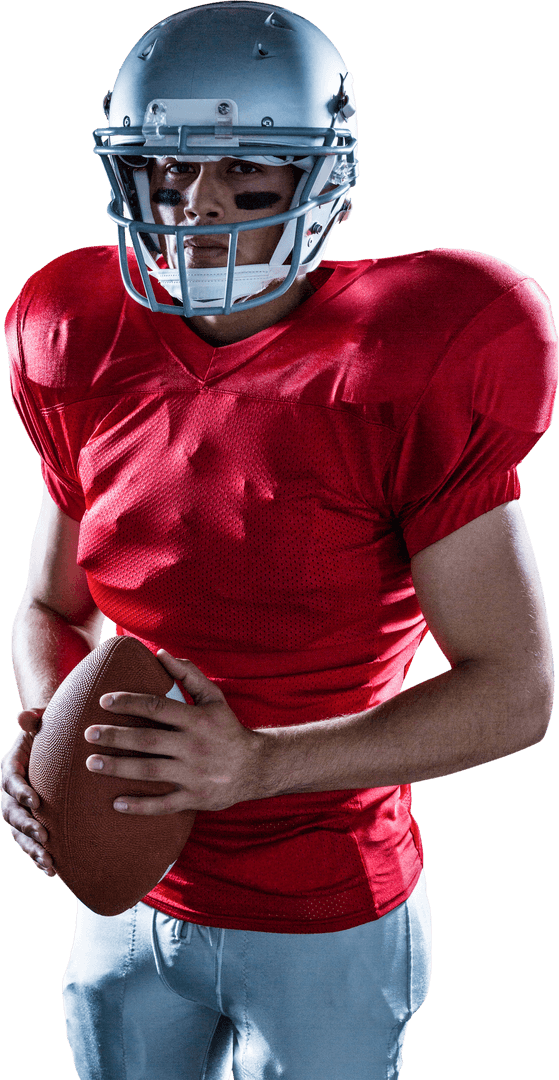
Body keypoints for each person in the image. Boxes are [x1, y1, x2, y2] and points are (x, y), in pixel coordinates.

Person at [1, 3, 557, 1079]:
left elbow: (514, 689)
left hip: (323, 908)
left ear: (325, 180)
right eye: (167, 170)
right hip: (125, 892)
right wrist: (44, 731)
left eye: (248, 173)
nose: (197, 206)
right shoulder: (79, 336)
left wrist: (261, 765)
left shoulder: (409, 357)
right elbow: (49, 607)